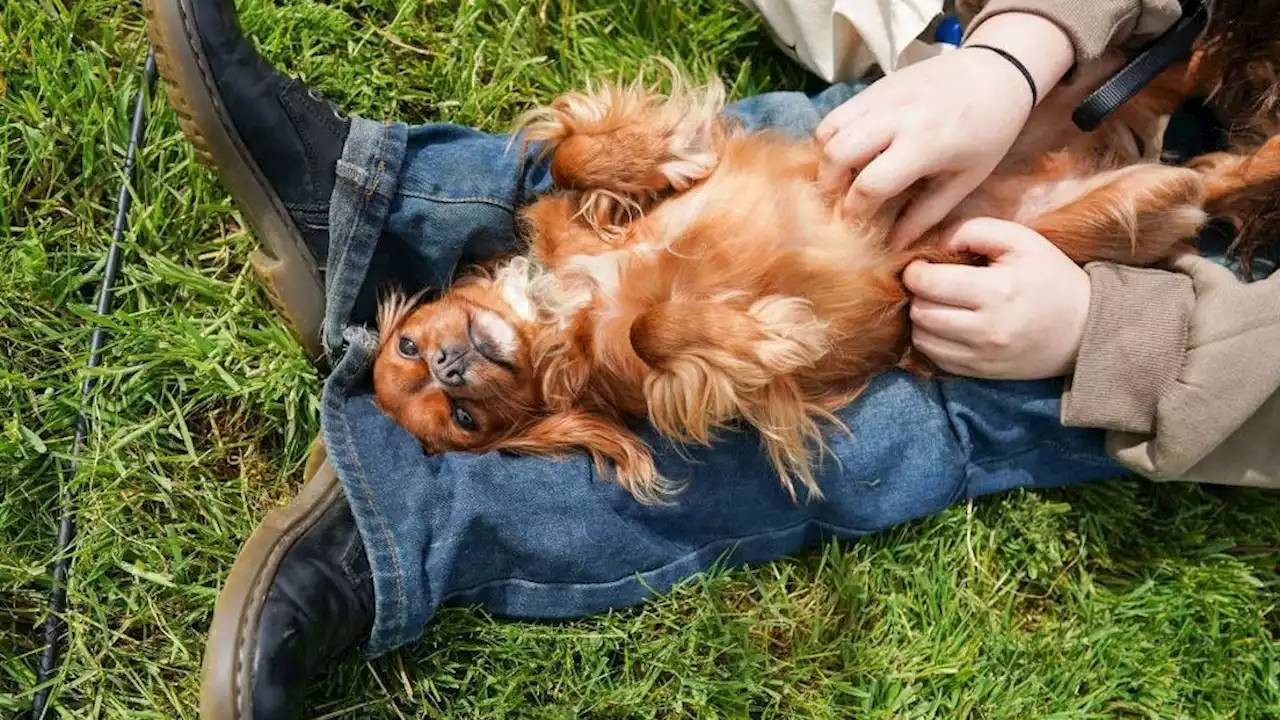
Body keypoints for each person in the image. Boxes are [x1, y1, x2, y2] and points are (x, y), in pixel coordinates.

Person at [140, 0, 1278, 718]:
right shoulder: (559, 272)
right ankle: (363, 200)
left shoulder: (632, 371)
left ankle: (404, 534)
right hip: (1116, 68)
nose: (441, 373)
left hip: (1158, 319)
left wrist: (1105, 337)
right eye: (451, 403)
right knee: (829, 122)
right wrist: (1008, 58)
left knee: (880, 441)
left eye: (415, 362)